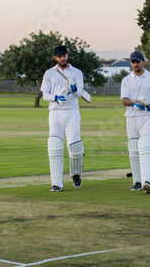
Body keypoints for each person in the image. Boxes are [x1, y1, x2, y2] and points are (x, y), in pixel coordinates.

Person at [40, 45, 85, 192]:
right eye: (59, 56)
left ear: (67, 55)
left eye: (64, 55)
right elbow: (45, 94)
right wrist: (55, 97)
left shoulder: (76, 72)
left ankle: (76, 173)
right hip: (55, 112)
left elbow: (80, 93)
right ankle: (56, 183)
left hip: (72, 111)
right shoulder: (49, 73)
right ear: (55, 58)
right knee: (54, 146)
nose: (62, 58)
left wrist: (74, 90)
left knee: (74, 147)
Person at [121, 50, 150, 194]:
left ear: (143, 62)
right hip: (132, 117)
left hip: (147, 116)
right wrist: (134, 103)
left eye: (137, 62)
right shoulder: (126, 80)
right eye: (133, 62)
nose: (135, 64)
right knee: (134, 150)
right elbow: (124, 101)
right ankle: (137, 182)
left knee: (146, 146)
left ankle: (148, 181)